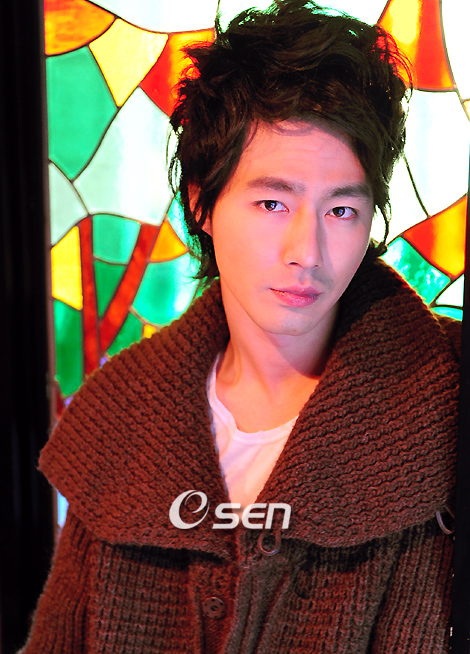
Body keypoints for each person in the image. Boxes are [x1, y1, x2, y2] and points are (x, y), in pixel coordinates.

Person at [20, 1, 460, 652]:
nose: (306, 251)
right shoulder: (119, 417)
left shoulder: (449, 400)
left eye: (341, 210)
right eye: (272, 202)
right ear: (201, 200)